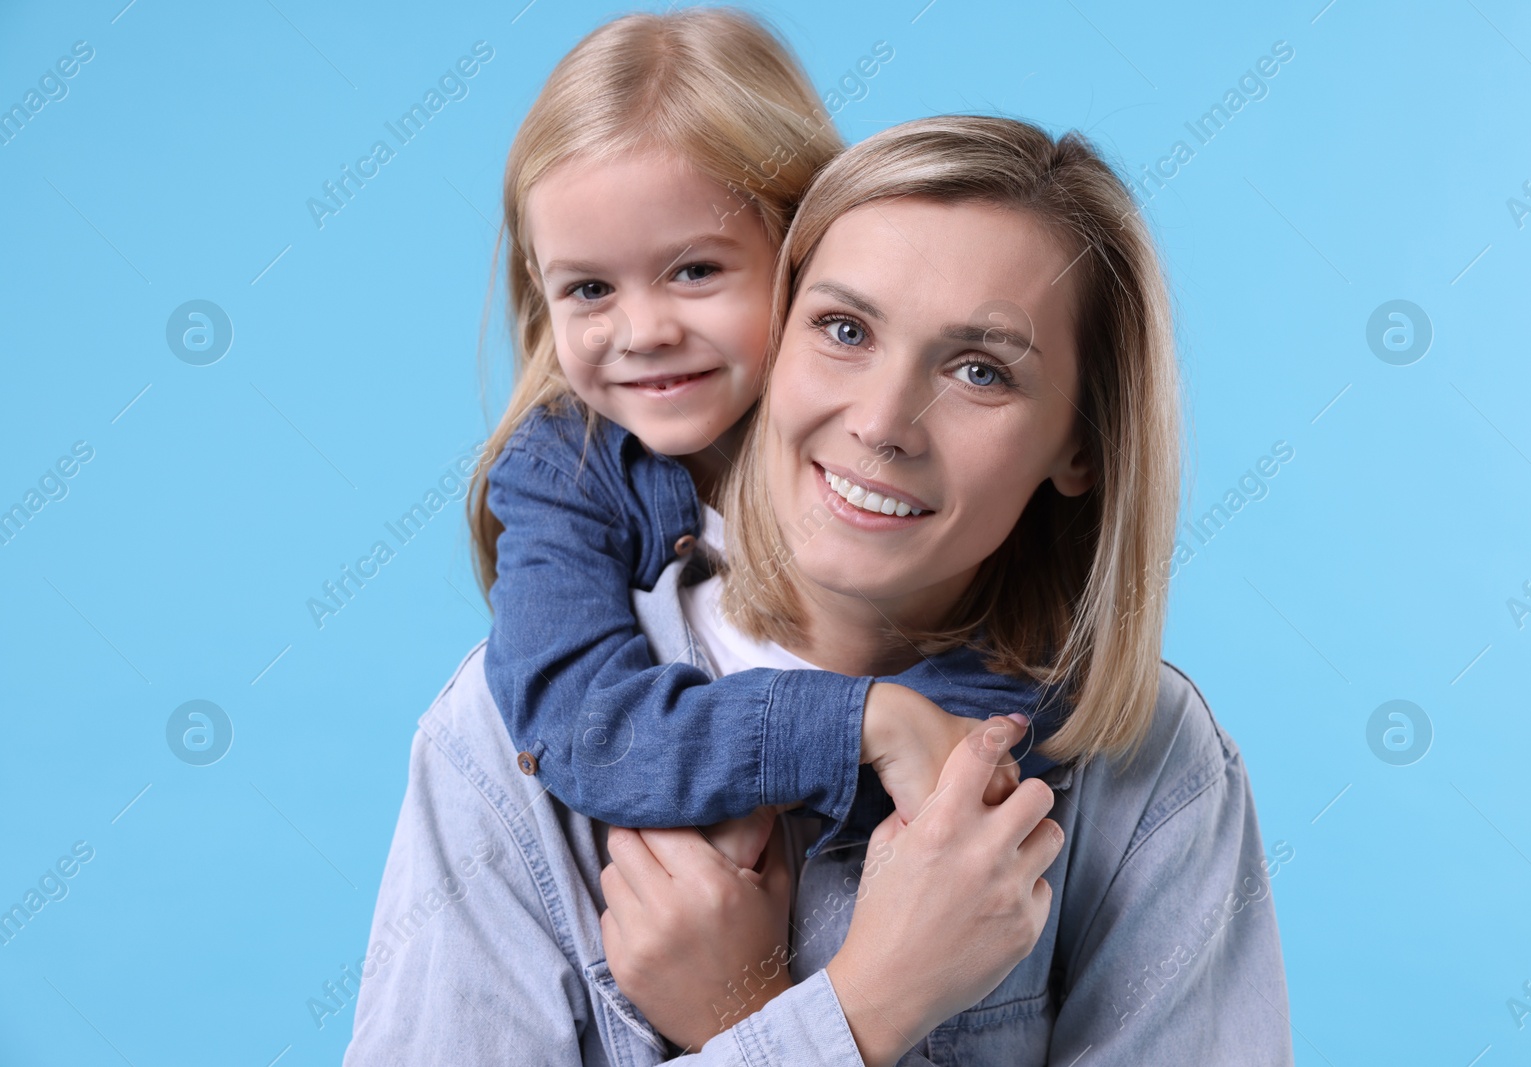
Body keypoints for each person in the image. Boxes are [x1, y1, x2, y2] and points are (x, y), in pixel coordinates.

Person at [344, 115, 1293, 1065]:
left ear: (1081, 445)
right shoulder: (503, 734)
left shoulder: (1152, 765)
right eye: (844, 329)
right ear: (774, 338)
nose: (883, 423)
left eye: (980, 370)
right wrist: (861, 1010)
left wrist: (744, 1017)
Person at [472, 5, 1050, 876]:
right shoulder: (565, 470)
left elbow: (1002, 726)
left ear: (800, 250)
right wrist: (860, 722)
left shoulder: (895, 476)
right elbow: (588, 729)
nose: (643, 330)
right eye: (589, 288)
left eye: (695, 270)